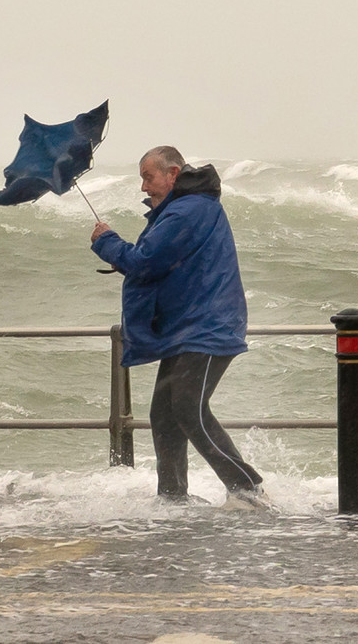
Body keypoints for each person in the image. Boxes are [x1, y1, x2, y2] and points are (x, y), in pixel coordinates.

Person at [90, 146, 267, 509]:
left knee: (187, 408)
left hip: (207, 326)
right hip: (187, 328)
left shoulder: (188, 210)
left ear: (173, 174)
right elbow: (155, 263)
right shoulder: (178, 209)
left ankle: (247, 488)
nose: (143, 187)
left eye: (148, 177)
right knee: (164, 414)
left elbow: (145, 261)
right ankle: (172, 498)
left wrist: (107, 241)